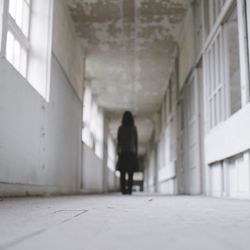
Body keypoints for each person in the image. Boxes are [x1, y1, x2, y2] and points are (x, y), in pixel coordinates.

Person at [117, 111, 138, 195]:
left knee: (122, 172)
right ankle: (129, 189)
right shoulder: (133, 128)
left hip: (123, 152)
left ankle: (123, 190)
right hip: (131, 152)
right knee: (130, 172)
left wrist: (117, 151)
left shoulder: (121, 128)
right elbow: (136, 141)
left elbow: (118, 141)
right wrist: (136, 151)